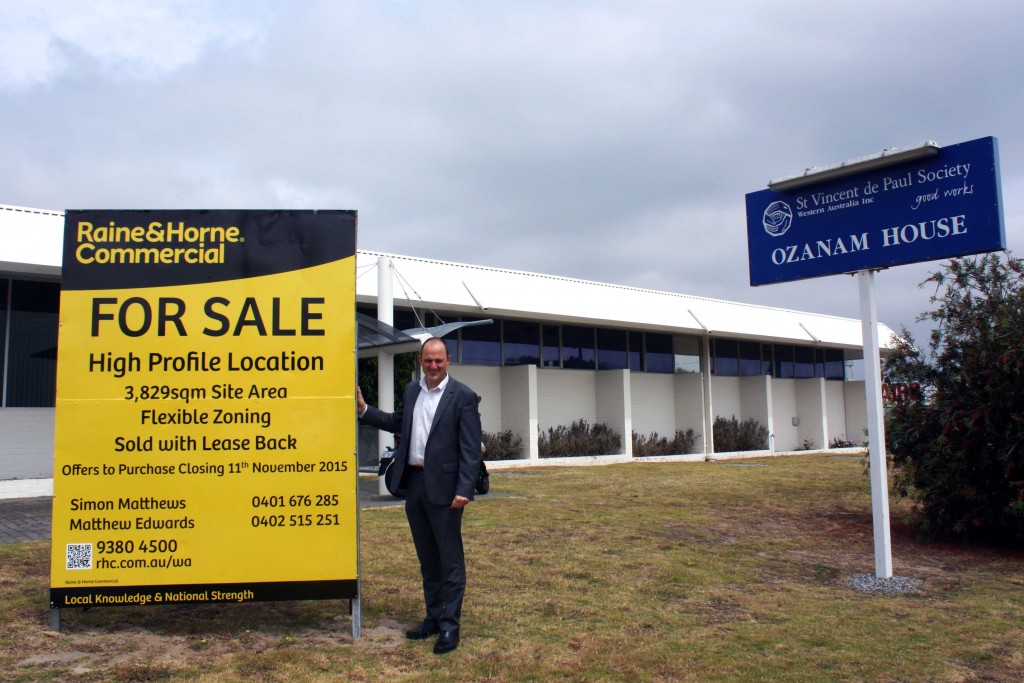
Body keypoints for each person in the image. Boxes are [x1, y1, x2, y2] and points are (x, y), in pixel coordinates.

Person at [357, 337, 483, 654]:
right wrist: (365, 410)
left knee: (450, 561)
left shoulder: (463, 397)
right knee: (428, 561)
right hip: (414, 486)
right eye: (428, 360)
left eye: (439, 361)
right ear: (420, 360)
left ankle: (450, 628)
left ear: (448, 360)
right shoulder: (413, 390)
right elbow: (398, 422)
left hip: (446, 492)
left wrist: (464, 490)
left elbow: (470, 450)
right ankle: (433, 618)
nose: (433, 366)